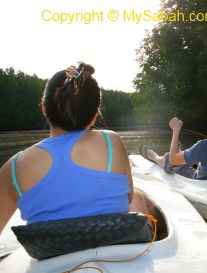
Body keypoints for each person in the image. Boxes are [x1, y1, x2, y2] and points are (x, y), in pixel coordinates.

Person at [0, 62, 151, 234]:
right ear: (94, 116)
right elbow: (128, 197)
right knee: (137, 196)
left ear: (44, 108)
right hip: (117, 248)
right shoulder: (111, 141)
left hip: (50, 252)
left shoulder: (13, 168)